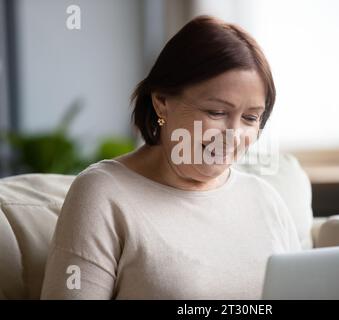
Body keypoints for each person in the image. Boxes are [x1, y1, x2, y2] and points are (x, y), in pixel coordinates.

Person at [40, 15, 301, 300]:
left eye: (250, 118)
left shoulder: (266, 199)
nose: (234, 135)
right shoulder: (102, 194)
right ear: (162, 102)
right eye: (216, 112)